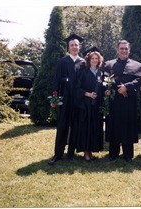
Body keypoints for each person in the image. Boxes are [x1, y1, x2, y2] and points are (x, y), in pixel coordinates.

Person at [48, 34, 86, 166]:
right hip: (64, 99)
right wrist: (54, 98)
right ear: (68, 48)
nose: (74, 47)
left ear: (79, 47)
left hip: (78, 100)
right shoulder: (62, 62)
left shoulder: (83, 63)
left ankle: (71, 153)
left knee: (75, 126)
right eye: (72, 45)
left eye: (76, 45)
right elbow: (56, 81)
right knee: (62, 125)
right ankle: (58, 153)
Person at [104, 40, 141, 162]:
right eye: (122, 48)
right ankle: (113, 153)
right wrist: (118, 89)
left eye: (126, 48)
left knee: (128, 126)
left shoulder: (137, 65)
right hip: (114, 101)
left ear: (129, 50)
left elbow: (139, 80)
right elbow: (105, 79)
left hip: (129, 101)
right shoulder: (109, 64)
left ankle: (128, 154)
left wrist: (127, 87)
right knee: (114, 125)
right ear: (117, 50)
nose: (124, 51)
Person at [74, 47, 104, 161]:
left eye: (97, 58)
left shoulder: (101, 73)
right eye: (93, 58)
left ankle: (92, 151)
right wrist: (87, 94)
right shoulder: (83, 72)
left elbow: (102, 88)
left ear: (99, 60)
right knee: (86, 128)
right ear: (89, 59)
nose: (95, 60)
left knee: (94, 127)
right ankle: (86, 153)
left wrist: (105, 91)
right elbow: (77, 88)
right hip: (85, 105)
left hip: (96, 105)